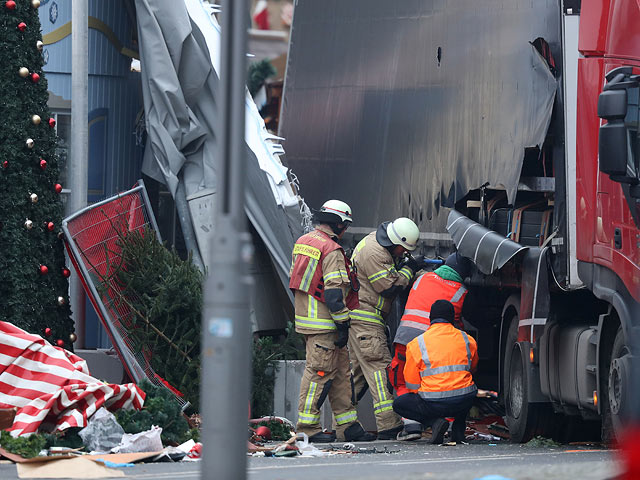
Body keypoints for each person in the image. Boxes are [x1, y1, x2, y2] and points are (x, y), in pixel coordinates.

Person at [289, 199, 375, 443]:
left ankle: (347, 426)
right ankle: (307, 427)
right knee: (318, 374)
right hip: (326, 324)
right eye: (345, 225)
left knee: (340, 375)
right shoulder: (332, 250)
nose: (345, 230)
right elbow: (334, 294)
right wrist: (343, 325)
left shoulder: (304, 242)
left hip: (309, 320)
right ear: (338, 225)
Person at [349, 217, 423, 440]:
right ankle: (388, 425)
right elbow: (388, 287)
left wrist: (404, 267)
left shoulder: (380, 247)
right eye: (403, 249)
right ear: (395, 242)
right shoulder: (375, 252)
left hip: (363, 318)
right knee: (380, 369)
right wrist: (410, 270)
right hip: (366, 319)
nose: (403, 253)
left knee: (357, 376)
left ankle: (342, 425)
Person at [389, 252, 472, 440]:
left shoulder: (423, 278)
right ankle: (448, 423)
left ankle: (411, 427)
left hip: (405, 339)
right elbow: (457, 323)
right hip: (434, 343)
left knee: (402, 380)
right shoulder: (461, 291)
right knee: (445, 381)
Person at [393, 300, 478, 444]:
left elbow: (411, 384)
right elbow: (473, 369)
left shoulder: (417, 344)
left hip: (432, 403)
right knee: (467, 388)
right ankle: (458, 429)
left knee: (399, 404)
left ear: (430, 319)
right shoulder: (467, 340)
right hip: (463, 400)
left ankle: (434, 422)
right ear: (452, 318)